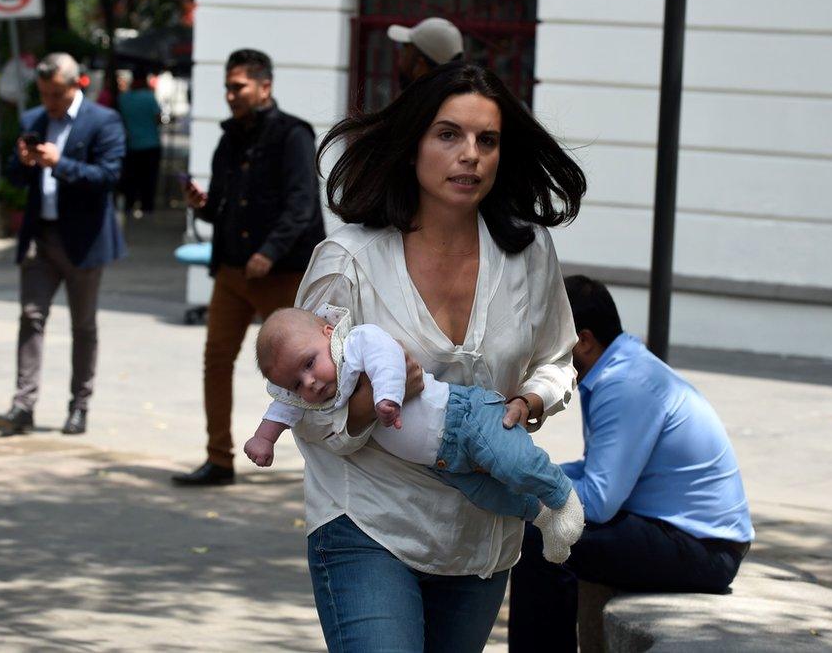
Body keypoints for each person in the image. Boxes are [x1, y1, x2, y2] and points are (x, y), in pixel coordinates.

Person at [271, 61, 586, 652]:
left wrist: (534, 398)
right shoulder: (349, 260)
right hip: (367, 520)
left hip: (481, 537)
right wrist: (366, 404)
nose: (469, 154)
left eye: (486, 140)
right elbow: (300, 405)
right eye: (448, 135)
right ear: (412, 145)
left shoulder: (528, 251)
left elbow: (557, 357)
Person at [507, 275, 755, 652]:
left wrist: (524, 483)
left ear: (585, 341)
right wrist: (530, 472)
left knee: (541, 537)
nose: (543, 359)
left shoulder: (625, 383)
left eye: (552, 344)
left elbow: (601, 502)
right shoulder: (620, 367)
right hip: (689, 537)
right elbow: (596, 472)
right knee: (542, 526)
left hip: (703, 550)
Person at [248, 306, 585, 560]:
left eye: (309, 364)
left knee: (514, 463)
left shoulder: (355, 342)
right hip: (442, 462)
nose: (309, 382)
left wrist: (386, 396)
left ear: (327, 333)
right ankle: (541, 517)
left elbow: (388, 358)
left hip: (463, 416)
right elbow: (285, 408)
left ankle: (562, 497)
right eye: (295, 383)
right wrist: (264, 437)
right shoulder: (314, 392)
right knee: (488, 496)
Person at [172, 48, 325, 486]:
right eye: (227, 87)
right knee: (216, 361)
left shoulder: (292, 134)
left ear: (265, 86)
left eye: (238, 86)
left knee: (305, 370)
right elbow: (222, 208)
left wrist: (270, 251)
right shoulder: (228, 138)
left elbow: (301, 207)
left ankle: (328, 458)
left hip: (280, 274)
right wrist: (201, 207)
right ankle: (218, 458)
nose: (230, 95)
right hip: (233, 273)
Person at [0, 52, 126, 436]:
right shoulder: (33, 119)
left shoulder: (103, 120)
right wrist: (23, 163)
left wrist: (59, 163)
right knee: (31, 317)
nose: (49, 102)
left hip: (82, 240)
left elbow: (109, 176)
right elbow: (15, 179)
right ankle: (23, 404)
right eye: (44, 94)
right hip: (40, 236)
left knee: (82, 325)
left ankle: (79, 406)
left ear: (76, 84)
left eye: (56, 95)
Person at [117, 68, 162, 216]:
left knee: (131, 179)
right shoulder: (149, 97)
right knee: (149, 180)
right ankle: (147, 208)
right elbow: (157, 119)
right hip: (151, 145)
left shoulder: (123, 98)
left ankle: (129, 206)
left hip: (132, 145)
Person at [387, 17, 464, 89]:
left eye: (405, 46)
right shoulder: (456, 101)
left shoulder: (419, 103)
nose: (400, 56)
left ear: (420, 67)